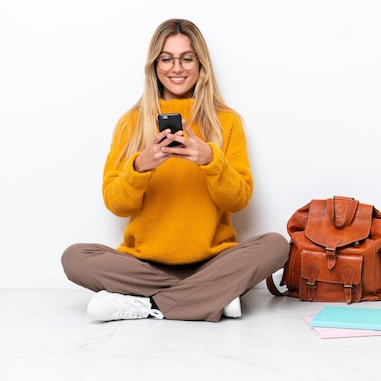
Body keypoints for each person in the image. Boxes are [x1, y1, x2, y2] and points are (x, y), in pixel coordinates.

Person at [61, 18, 289, 323]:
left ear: (201, 64)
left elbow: (238, 201)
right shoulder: (131, 122)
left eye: (186, 58)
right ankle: (211, 297)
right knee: (75, 257)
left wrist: (211, 160)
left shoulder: (227, 122)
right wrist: (141, 166)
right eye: (166, 59)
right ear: (154, 65)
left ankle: (148, 305)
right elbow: (116, 204)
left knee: (276, 245)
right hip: (145, 266)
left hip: (212, 262)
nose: (176, 68)